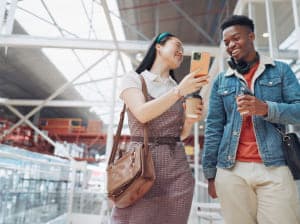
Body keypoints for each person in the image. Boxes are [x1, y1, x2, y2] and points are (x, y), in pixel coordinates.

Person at [202, 15, 300, 224]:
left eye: (235, 38)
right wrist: (210, 175)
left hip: (275, 167)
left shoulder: (281, 70)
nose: (230, 45)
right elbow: (214, 127)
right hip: (230, 170)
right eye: (226, 42)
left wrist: (266, 109)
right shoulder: (222, 80)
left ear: (252, 36)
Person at [111, 32, 209, 223]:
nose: (181, 51)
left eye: (183, 49)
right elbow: (141, 113)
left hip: (176, 167)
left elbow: (179, 135)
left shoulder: (178, 88)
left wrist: (189, 121)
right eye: (177, 45)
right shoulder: (134, 79)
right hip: (140, 165)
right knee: (133, 217)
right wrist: (179, 91)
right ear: (158, 46)